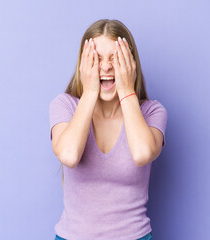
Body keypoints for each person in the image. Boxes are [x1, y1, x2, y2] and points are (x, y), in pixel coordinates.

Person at [49, 19, 167, 240]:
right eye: (96, 59)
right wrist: (90, 91)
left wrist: (126, 89)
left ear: (130, 63)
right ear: (83, 64)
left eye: (115, 58)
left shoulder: (152, 112)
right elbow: (69, 155)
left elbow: (143, 153)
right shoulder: (64, 106)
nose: (105, 67)